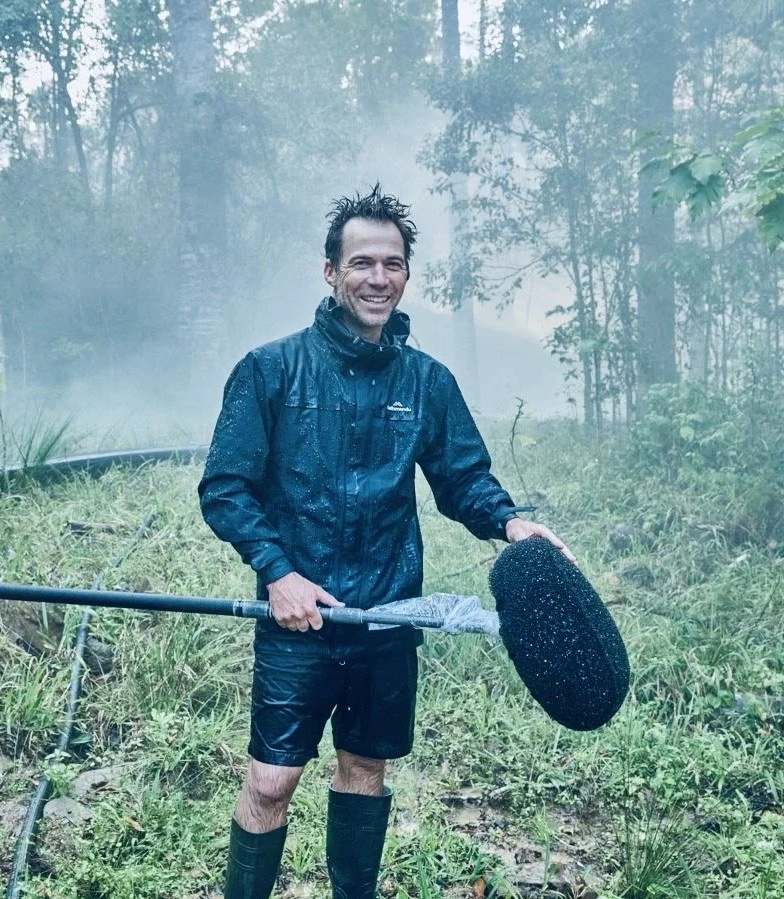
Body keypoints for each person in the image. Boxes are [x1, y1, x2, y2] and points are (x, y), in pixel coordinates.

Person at [198, 185, 573, 899]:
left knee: (364, 771)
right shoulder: (271, 371)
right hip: (297, 619)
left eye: (391, 264)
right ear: (330, 271)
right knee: (273, 779)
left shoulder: (427, 382)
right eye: (361, 262)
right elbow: (225, 489)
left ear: (405, 274)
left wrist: (510, 521)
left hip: (389, 617)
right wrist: (278, 572)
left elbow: (463, 479)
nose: (377, 277)